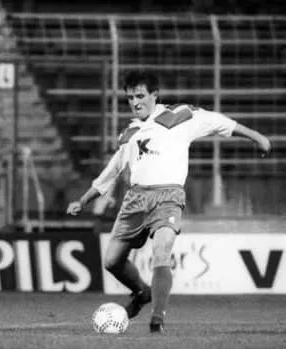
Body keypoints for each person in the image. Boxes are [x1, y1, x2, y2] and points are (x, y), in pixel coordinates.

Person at [67, 70, 271, 333]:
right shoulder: (129, 132)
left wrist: (258, 137)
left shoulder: (179, 116)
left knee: (161, 252)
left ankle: (157, 320)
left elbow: (219, 122)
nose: (135, 102)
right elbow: (112, 170)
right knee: (112, 261)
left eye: (140, 96)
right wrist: (83, 200)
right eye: (130, 98)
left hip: (168, 197)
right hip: (135, 199)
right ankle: (142, 292)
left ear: (154, 94)